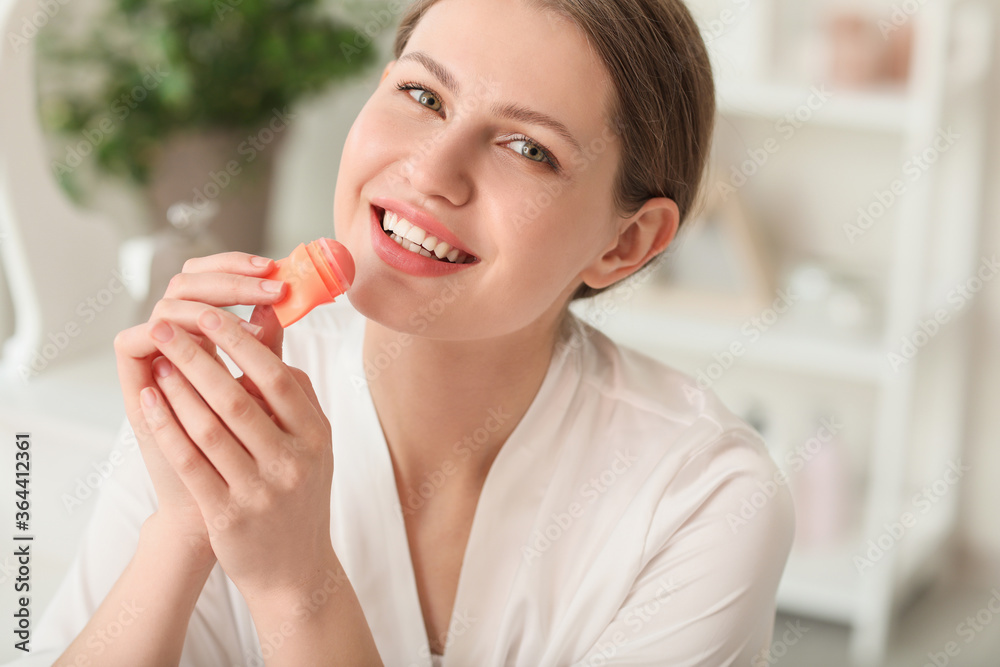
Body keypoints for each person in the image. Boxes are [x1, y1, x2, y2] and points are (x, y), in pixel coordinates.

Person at [10, 0, 795, 665]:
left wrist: (296, 586)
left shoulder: (704, 500)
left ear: (624, 243)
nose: (431, 170)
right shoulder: (232, 382)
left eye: (528, 148)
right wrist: (181, 527)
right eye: (423, 97)